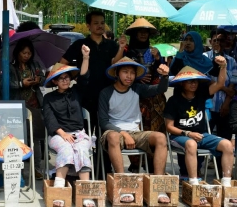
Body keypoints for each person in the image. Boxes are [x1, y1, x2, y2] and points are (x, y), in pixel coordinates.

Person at [99, 57, 170, 204]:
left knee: (161, 138)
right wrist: (123, 133)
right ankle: (124, 185)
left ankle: (158, 187)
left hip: (136, 132)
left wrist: (164, 76)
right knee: (112, 137)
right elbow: (103, 122)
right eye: (125, 72)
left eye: (132, 73)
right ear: (117, 74)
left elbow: (160, 89)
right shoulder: (106, 92)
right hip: (114, 132)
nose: (129, 76)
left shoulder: (137, 88)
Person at [164, 64, 235, 204]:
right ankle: (194, 184)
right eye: (190, 81)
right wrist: (188, 133)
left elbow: (220, 83)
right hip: (179, 136)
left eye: (195, 81)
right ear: (182, 83)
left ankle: (226, 186)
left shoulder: (201, 94)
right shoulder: (174, 101)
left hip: (201, 134)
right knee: (191, 143)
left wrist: (223, 67)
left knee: (227, 145)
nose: (193, 84)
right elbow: (169, 127)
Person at [43, 45, 92, 207]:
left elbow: (84, 78)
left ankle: (86, 194)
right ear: (55, 81)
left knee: (83, 149)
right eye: (61, 78)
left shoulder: (76, 92)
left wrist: (85, 57)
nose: (64, 80)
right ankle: (58, 190)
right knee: (66, 149)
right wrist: (62, 133)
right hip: (58, 135)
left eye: (67, 77)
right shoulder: (49, 98)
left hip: (79, 133)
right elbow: (49, 119)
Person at [61, 11, 125, 127]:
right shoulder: (80, 44)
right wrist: (72, 76)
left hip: (107, 90)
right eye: (96, 23)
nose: (100, 25)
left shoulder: (111, 45)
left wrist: (121, 48)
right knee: (86, 127)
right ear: (88, 26)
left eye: (102, 23)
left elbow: (115, 63)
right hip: (86, 92)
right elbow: (63, 62)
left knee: (105, 127)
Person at [123, 18, 166, 172]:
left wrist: (158, 60)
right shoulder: (126, 51)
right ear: (134, 34)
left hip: (154, 99)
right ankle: (135, 164)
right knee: (136, 129)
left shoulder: (153, 51)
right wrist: (138, 78)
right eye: (139, 31)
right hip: (134, 96)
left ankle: (154, 167)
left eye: (145, 32)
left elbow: (161, 72)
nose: (142, 34)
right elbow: (121, 72)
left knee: (155, 131)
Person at [169, 31, 213, 178]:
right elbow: (173, 72)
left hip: (201, 100)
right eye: (185, 39)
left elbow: (212, 81)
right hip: (180, 100)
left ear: (198, 43)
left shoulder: (206, 62)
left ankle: (196, 169)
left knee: (199, 133)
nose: (188, 42)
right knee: (184, 132)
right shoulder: (181, 58)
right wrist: (180, 54)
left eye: (191, 40)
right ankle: (184, 171)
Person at [8, 37, 46, 180]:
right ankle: (19, 168)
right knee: (18, 138)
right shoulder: (11, 67)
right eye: (24, 53)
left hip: (34, 103)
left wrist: (38, 80)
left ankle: (36, 168)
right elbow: (6, 83)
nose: (26, 56)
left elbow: (43, 78)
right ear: (18, 53)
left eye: (29, 53)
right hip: (17, 104)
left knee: (35, 137)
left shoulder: (34, 65)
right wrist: (20, 83)